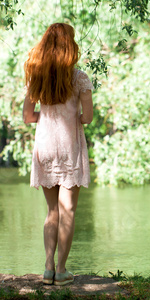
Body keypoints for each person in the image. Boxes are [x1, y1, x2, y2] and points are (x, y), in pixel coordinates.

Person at [22, 23, 94, 286]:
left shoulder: (37, 76)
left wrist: (47, 116)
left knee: (53, 209)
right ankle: (62, 271)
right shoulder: (80, 78)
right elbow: (87, 117)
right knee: (69, 210)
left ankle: (48, 267)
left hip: (46, 147)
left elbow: (28, 116)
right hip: (69, 147)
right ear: (69, 46)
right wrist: (72, 115)